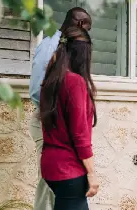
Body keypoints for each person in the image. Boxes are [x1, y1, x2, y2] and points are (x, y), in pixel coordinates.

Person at [28, 7, 92, 210]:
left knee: (63, 186)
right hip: (51, 122)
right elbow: (39, 89)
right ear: (80, 24)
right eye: (87, 29)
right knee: (51, 184)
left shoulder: (59, 46)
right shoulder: (52, 46)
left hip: (60, 123)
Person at [39, 26, 99, 210]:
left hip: (51, 165)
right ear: (82, 55)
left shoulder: (50, 81)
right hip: (68, 169)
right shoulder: (74, 82)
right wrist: (92, 173)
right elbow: (80, 134)